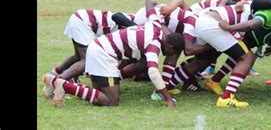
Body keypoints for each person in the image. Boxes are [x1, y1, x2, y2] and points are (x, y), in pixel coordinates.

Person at [43, 12, 185, 108]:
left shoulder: (155, 26)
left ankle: (55, 81)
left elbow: (150, 10)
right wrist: (168, 99)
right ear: (170, 47)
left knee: (99, 95)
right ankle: (63, 85)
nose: (168, 55)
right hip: (103, 54)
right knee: (112, 101)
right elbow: (153, 72)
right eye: (172, 53)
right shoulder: (154, 44)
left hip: (97, 47)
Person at [42, 9, 136, 98]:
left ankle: (53, 74)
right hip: (85, 23)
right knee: (87, 60)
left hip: (81, 18)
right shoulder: (140, 25)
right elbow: (117, 17)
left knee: (79, 57)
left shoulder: (140, 22)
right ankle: (56, 81)